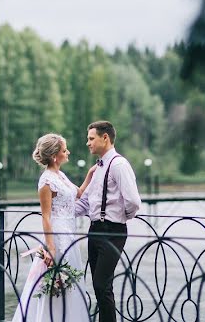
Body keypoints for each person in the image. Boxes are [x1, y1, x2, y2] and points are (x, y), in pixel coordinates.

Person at [11, 133, 96, 322]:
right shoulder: (46, 181)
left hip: (70, 234)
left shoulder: (61, 175)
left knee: (70, 282)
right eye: (65, 150)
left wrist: (90, 174)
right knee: (56, 282)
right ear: (55, 155)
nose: (68, 152)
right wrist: (50, 247)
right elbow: (46, 216)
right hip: (56, 236)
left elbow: (79, 194)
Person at [74, 121, 142, 322]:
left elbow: (133, 201)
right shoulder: (98, 167)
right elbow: (86, 203)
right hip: (94, 230)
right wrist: (58, 211)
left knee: (102, 285)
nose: (88, 143)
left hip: (112, 231)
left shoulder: (119, 165)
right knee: (100, 286)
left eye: (91, 138)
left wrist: (121, 218)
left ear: (105, 138)